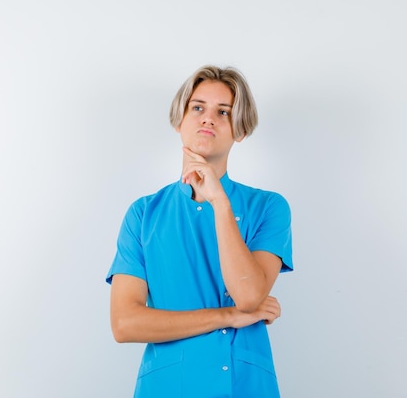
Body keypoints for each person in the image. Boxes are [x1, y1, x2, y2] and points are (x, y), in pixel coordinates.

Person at [106, 65, 293, 397]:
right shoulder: (144, 214)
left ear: (241, 130)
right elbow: (125, 324)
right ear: (180, 121)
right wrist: (227, 316)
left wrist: (219, 201)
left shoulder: (268, 207)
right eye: (198, 108)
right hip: (167, 386)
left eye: (224, 112)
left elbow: (249, 296)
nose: (209, 119)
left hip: (243, 385)